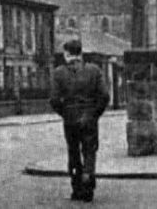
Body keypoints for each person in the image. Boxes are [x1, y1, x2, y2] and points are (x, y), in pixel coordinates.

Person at [49, 39, 109, 202]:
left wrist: (65, 113)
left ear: (66, 54)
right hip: (89, 118)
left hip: (70, 119)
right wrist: (95, 113)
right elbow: (104, 96)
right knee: (89, 151)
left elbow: (54, 100)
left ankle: (76, 188)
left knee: (73, 151)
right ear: (81, 54)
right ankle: (88, 183)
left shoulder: (59, 72)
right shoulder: (94, 70)